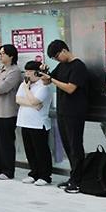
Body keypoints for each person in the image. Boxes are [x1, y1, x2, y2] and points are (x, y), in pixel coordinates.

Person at [43, 39, 88, 194]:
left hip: (75, 112)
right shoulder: (61, 65)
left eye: (56, 56)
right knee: (68, 145)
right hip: (62, 111)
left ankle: (78, 180)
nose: (56, 60)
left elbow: (70, 88)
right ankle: (73, 176)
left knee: (75, 146)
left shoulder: (78, 66)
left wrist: (52, 79)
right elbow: (46, 82)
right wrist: (45, 73)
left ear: (64, 50)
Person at [0, 44, 23, 180]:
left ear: (11, 55)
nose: (0, 56)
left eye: (3, 53)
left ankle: (8, 170)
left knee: (6, 141)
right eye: (0, 53)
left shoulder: (15, 71)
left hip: (8, 110)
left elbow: (3, 88)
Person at [16, 60, 53, 186]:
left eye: (29, 72)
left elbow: (35, 100)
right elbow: (18, 99)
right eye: (25, 71)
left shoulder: (43, 86)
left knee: (41, 150)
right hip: (25, 122)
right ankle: (34, 172)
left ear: (37, 73)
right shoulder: (24, 84)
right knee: (29, 150)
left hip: (38, 123)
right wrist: (32, 102)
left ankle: (45, 175)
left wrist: (27, 91)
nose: (27, 74)